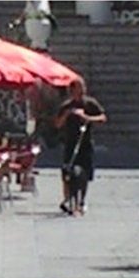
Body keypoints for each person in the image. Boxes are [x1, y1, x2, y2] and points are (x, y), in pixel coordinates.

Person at [54, 77, 106, 215]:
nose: (82, 90)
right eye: (79, 88)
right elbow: (57, 124)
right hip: (70, 143)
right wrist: (67, 114)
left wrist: (88, 118)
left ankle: (82, 200)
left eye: (83, 87)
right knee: (67, 172)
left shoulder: (90, 104)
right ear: (72, 91)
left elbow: (102, 117)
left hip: (85, 143)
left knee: (84, 173)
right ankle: (67, 199)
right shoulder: (66, 106)